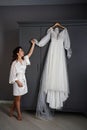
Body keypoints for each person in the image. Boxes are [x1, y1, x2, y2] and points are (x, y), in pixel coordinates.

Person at [9, 39, 35, 120]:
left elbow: (30, 53)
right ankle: (19, 114)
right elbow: (12, 74)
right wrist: (17, 81)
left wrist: (33, 44)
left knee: (17, 98)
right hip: (17, 81)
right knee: (18, 98)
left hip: (23, 80)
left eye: (22, 50)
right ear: (17, 53)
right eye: (21, 50)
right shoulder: (14, 63)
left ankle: (11, 111)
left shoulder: (24, 60)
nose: (23, 51)